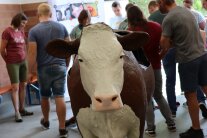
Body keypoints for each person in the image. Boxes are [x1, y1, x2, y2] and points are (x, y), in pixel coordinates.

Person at [158, 0, 207, 137]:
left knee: (190, 94)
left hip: (188, 60)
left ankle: (196, 130)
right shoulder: (188, 12)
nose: (158, 5)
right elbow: (185, 36)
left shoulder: (169, 18)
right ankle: (196, 129)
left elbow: (164, 43)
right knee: (205, 87)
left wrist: (160, 54)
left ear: (162, 2)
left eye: (158, 2)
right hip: (202, 55)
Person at [127, 5, 176, 137]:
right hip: (155, 66)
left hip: (141, 70)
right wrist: (159, 57)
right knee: (159, 96)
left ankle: (151, 129)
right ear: (141, 13)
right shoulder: (155, 26)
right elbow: (166, 45)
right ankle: (171, 123)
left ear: (129, 17)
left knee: (147, 99)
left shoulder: (130, 32)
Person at [27, 3, 69, 138]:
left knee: (44, 96)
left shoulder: (34, 31)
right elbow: (68, 48)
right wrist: (66, 65)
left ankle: (46, 122)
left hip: (43, 69)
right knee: (59, 96)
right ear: (51, 14)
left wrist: (29, 71)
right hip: (60, 66)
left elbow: (32, 53)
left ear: (37, 15)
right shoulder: (62, 27)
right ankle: (62, 128)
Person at [0, 13, 33, 123]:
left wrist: (25, 56)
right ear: (17, 21)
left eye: (25, 23)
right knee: (15, 87)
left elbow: (23, 45)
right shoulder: (7, 32)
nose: (24, 25)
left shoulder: (21, 31)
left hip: (23, 61)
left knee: (23, 84)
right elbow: (2, 49)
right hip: (12, 63)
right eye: (23, 23)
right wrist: (8, 61)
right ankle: (17, 112)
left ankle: (22, 109)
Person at [64, 9, 91, 127]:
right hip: (81, 62)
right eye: (88, 17)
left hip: (85, 61)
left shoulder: (78, 29)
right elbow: (72, 46)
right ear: (86, 18)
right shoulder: (79, 30)